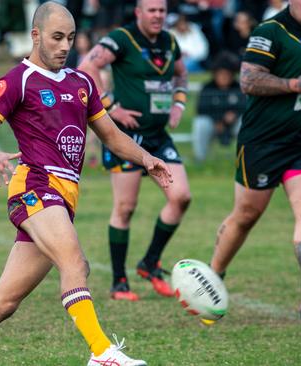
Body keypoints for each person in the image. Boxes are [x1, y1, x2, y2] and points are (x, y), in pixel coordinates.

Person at [0, 2, 171, 365]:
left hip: (64, 196)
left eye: (71, 38)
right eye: (57, 37)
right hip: (34, 188)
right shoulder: (17, 81)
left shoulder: (82, 82)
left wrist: (146, 158)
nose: (65, 46)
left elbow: (110, 135)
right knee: (75, 262)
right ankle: (103, 355)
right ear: (36, 35)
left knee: (3, 303)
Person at [208, 0, 301, 324]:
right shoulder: (270, 32)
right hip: (263, 142)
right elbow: (248, 80)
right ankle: (211, 281)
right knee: (246, 215)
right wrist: (295, 85)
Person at [78, 0, 191, 301]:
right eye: (151, 10)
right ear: (139, 12)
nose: (157, 15)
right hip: (125, 138)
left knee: (181, 197)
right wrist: (110, 107)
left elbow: (181, 74)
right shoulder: (121, 38)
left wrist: (178, 103)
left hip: (158, 136)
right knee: (125, 207)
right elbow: (87, 66)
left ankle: (149, 262)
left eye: (162, 11)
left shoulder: (169, 41)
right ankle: (119, 283)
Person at [192, 51, 246, 164]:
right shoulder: (207, 88)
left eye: (227, 74)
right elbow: (201, 109)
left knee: (245, 123)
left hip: (234, 124)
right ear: (215, 74)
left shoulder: (238, 88)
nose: (224, 77)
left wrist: (234, 115)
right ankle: (200, 160)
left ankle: (245, 160)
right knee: (201, 123)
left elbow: (246, 106)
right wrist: (218, 120)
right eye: (221, 74)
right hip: (212, 124)